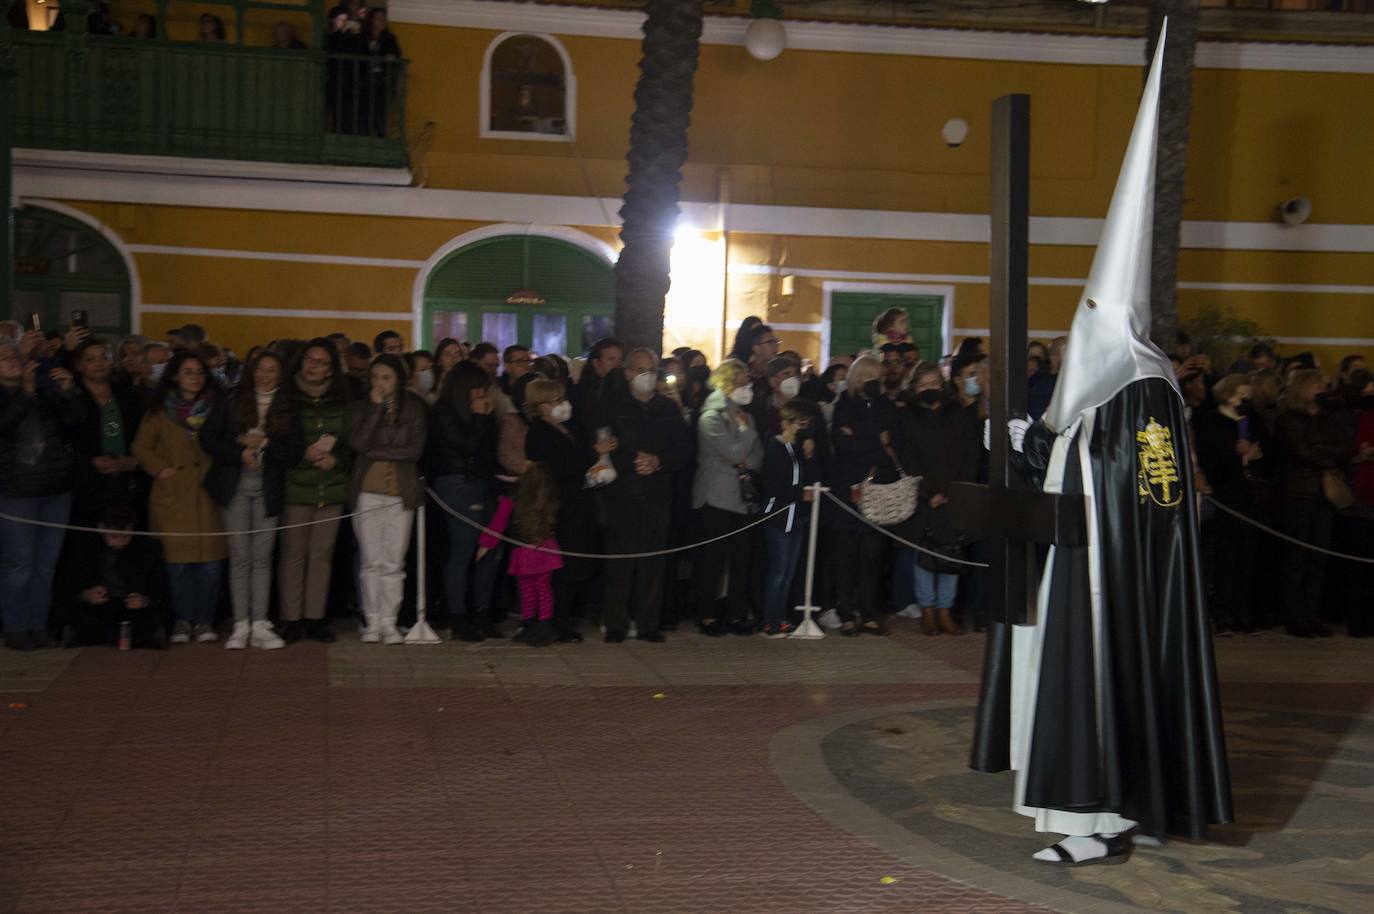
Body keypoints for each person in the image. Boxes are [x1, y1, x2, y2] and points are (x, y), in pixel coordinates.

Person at [972, 43, 1232, 864]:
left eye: (1093, 312)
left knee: (1097, 693)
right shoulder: (1099, 392)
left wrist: (1059, 444)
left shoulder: (1148, 387)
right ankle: (1076, 816)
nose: (1082, 326)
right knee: (1062, 690)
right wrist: (1036, 443)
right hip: (1074, 567)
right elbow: (1077, 458)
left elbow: (1147, 489)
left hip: (1109, 580)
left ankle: (1101, 820)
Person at [200, 350, 296, 651]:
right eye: (260, 369)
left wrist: (265, 444)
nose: (266, 375)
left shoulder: (289, 407)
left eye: (272, 370)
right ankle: (241, 624)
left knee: (262, 557)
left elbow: (294, 452)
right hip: (235, 484)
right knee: (240, 556)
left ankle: (260, 623)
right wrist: (239, 452)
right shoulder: (230, 400)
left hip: (269, 486)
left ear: (281, 375)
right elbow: (208, 438)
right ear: (251, 371)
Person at [132, 350, 227, 645]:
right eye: (188, 371)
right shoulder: (160, 410)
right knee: (179, 565)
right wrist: (162, 469)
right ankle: (183, 621)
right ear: (174, 375)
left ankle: (205, 621)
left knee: (211, 564)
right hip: (175, 496)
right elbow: (140, 447)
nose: (195, 377)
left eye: (199, 371)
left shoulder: (217, 406)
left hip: (209, 494)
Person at [599, 349, 689, 643]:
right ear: (627, 373)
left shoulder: (667, 408)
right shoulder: (612, 406)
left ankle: (649, 623)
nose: (647, 375)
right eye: (640, 370)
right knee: (620, 562)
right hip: (622, 491)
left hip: (657, 492)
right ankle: (616, 623)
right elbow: (602, 444)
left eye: (651, 369)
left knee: (653, 561)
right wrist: (633, 462)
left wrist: (658, 460)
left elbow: (683, 447)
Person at [0, 342, 84, 651]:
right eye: (4, 358)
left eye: (16, 356)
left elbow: (75, 421)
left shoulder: (43, 391)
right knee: (19, 564)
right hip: (16, 491)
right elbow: (4, 426)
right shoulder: (19, 393)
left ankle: (38, 624)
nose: (12, 361)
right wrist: (25, 393)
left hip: (56, 490)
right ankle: (15, 626)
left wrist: (68, 390)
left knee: (45, 565)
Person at [277, 340, 354, 644]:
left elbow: (349, 443)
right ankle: (291, 618)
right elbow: (279, 439)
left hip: (331, 486)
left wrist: (337, 459)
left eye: (321, 363)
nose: (314, 367)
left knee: (321, 555)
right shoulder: (287, 397)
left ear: (331, 369)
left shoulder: (340, 401)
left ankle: (315, 617)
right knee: (294, 554)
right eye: (310, 359)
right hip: (296, 484)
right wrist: (302, 452)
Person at [348, 354, 427, 645]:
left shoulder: (415, 408)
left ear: (399, 380)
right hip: (367, 491)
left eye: (386, 378)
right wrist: (374, 410)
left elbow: (414, 450)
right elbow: (358, 443)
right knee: (371, 560)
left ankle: (390, 620)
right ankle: (372, 620)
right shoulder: (361, 408)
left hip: (400, 492)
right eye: (375, 378)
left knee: (394, 560)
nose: (379, 383)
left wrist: (376, 451)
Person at [523, 378, 609, 642]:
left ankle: (565, 617)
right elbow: (561, 466)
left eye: (563, 399)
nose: (563, 405)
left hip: (577, 502)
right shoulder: (539, 433)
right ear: (541, 406)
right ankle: (556, 622)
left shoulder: (568, 428)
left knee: (576, 565)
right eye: (556, 401)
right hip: (557, 505)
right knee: (562, 566)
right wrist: (593, 453)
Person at [898, 363, 979, 636]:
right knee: (925, 553)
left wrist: (953, 491)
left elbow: (971, 453)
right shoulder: (909, 416)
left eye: (934, 383)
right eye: (923, 384)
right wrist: (928, 493)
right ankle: (928, 610)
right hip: (924, 496)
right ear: (915, 388)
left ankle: (945, 610)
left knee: (952, 552)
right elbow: (908, 458)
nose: (929, 388)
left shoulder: (957, 413)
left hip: (954, 493)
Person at [1274, 369, 1355, 637]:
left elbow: (1345, 446)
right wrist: (1324, 451)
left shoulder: (1326, 417)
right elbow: (1300, 451)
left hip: (1324, 493)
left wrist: (1322, 448)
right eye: (1316, 384)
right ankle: (1295, 616)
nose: (1321, 389)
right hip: (1299, 494)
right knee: (1297, 558)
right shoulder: (1288, 419)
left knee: (1318, 558)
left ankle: (1312, 613)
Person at [429, 361, 503, 641]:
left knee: (490, 551)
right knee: (462, 551)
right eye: (479, 388)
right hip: (458, 483)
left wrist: (486, 418)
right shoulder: (443, 413)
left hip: (485, 483)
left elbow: (489, 449)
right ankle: (457, 615)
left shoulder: (484, 413)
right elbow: (466, 446)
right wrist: (479, 418)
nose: (483, 394)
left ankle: (482, 612)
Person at [828, 355, 899, 636]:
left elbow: (894, 445)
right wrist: (875, 441)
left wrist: (863, 440)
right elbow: (843, 444)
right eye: (868, 377)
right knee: (845, 555)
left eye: (876, 377)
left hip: (878, 488)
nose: (873, 382)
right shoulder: (844, 404)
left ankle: (870, 612)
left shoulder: (887, 405)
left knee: (872, 555)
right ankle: (847, 611)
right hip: (847, 490)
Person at [692, 359, 764, 635]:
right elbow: (734, 451)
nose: (748, 388)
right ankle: (707, 614)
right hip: (716, 497)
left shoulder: (746, 415)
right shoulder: (711, 417)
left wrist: (742, 459)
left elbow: (755, 455)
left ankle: (735, 613)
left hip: (742, 499)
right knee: (713, 560)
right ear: (728, 383)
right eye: (743, 382)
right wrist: (741, 444)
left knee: (740, 560)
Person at [1192, 374, 1265, 635]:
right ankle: (1222, 613)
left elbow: (1269, 453)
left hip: (1250, 497)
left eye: (1248, 395)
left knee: (1247, 558)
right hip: (1225, 496)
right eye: (1239, 395)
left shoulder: (1253, 421)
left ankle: (1242, 611)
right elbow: (1210, 459)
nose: (1243, 400)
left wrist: (1255, 456)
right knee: (1225, 559)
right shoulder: (1213, 421)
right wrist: (1235, 454)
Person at [58, 504, 165, 649]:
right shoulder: (84, 546)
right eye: (114, 536)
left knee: (148, 620)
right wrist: (85, 595)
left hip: (131, 608)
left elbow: (158, 583)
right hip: (100, 606)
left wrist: (145, 600)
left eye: (126, 536)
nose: (120, 542)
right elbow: (67, 583)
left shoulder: (148, 547)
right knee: (79, 616)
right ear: (101, 528)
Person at [479, 466, 562, 647]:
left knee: (527, 590)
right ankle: (542, 625)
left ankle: (532, 624)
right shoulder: (549, 501)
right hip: (544, 549)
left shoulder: (513, 499)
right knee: (543, 589)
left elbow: (498, 522)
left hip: (524, 551)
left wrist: (486, 544)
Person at [759, 403, 821, 638]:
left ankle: (780, 617)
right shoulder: (775, 448)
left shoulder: (797, 449)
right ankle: (770, 620)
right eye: (799, 424)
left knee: (789, 571)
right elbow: (774, 484)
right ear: (786, 423)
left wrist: (810, 454)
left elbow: (809, 476)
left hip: (798, 516)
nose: (803, 429)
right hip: (780, 515)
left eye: (806, 425)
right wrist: (798, 494)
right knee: (778, 570)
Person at [69, 339, 145, 526]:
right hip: (84, 483)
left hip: (125, 480)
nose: (99, 363)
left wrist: (134, 461)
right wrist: (89, 462)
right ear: (79, 365)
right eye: (91, 359)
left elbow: (141, 433)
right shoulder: (71, 395)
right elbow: (66, 438)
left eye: (105, 357)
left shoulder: (127, 394)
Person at [359, 8, 402, 137]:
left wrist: (391, 57)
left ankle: (380, 135)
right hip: (363, 80)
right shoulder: (362, 37)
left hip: (381, 80)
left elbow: (397, 53)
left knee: (380, 110)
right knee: (365, 110)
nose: (382, 21)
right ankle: (365, 133)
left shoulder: (389, 38)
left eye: (384, 18)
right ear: (371, 20)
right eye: (378, 18)